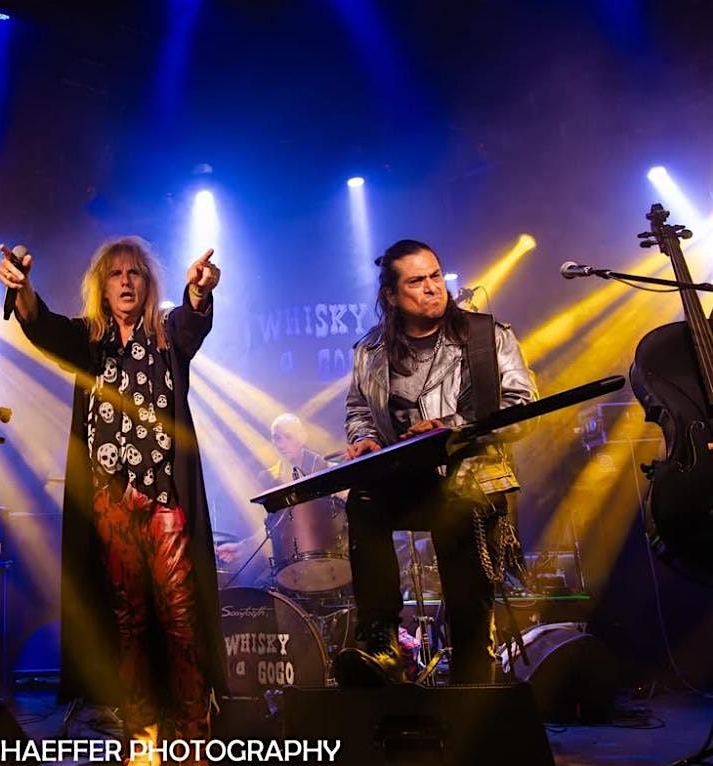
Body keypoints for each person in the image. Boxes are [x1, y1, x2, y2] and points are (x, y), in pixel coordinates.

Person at [0, 237, 225, 752]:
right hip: (109, 499)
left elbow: (193, 321)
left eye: (134, 273)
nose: (125, 281)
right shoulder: (90, 341)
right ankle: (141, 735)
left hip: (163, 499)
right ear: (102, 287)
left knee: (180, 617)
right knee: (127, 620)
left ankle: (193, 734)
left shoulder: (167, 334)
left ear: (147, 284)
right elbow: (43, 325)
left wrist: (198, 292)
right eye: (116, 274)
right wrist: (23, 288)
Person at [335, 239, 537, 687]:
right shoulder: (370, 350)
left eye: (435, 276)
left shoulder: (488, 336)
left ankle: (473, 686)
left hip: (471, 482)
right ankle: (382, 639)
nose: (432, 288)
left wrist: (449, 427)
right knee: (363, 499)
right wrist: (364, 439)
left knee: (468, 606)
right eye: (416, 281)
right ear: (391, 296)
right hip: (406, 481)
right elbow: (358, 408)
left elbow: (522, 407)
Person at [214, 413, 331, 589]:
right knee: (253, 587)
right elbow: (271, 526)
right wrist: (243, 547)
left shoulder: (320, 466)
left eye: (287, 437)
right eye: (276, 438)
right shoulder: (269, 477)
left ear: (302, 437)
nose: (281, 444)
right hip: (285, 560)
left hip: (322, 555)